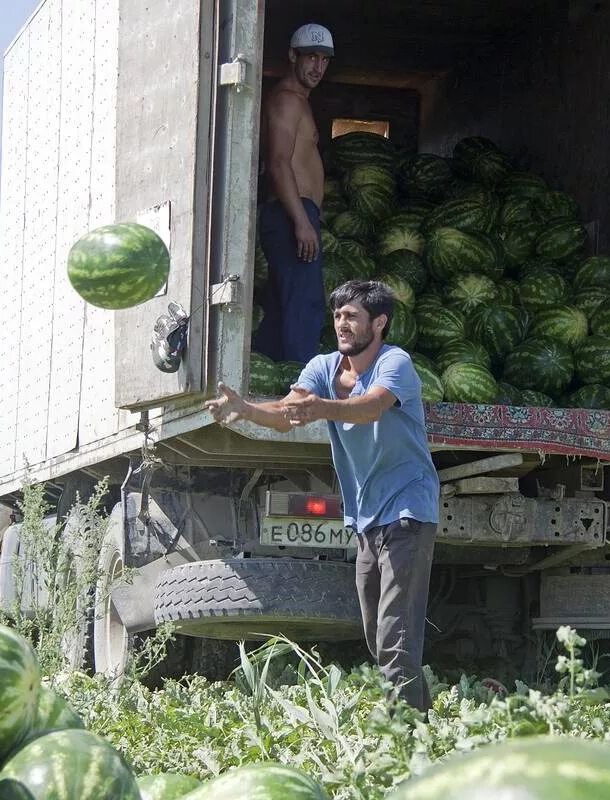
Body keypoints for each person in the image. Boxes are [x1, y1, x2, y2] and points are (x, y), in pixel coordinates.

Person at [208, 280, 440, 712]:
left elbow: (371, 406)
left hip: (409, 507)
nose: (342, 324)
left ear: (380, 322)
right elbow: (286, 414)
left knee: (395, 632)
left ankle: (405, 732)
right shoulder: (323, 367)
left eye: (352, 316)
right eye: (337, 316)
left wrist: (321, 408)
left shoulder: (396, 363)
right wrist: (246, 411)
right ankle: (421, 715)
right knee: (377, 630)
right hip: (367, 517)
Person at [251, 23, 333, 363]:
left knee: (283, 306)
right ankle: (301, 388)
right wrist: (301, 221)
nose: (317, 66)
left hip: (295, 212)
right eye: (310, 57)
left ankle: (270, 375)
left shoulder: (299, 101)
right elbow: (279, 163)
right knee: (304, 304)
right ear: (292, 56)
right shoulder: (287, 100)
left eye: (324, 59)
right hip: (290, 213)